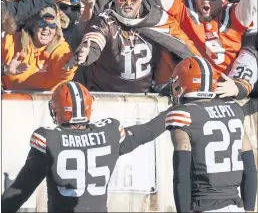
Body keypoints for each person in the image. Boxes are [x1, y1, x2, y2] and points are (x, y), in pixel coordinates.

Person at [1, 81, 167, 212]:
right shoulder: (109, 133)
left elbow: (19, 191)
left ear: (57, 110)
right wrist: (174, 111)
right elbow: (148, 131)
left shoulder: (49, 138)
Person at [67, 0, 200, 93]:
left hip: (144, 96)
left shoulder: (157, 18)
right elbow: (95, 37)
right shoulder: (105, 19)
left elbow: (183, 45)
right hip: (106, 95)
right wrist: (87, 52)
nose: (128, 4)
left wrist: (202, 70)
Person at [165, 56, 257, 213]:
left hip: (203, 204)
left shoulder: (183, 114)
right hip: (236, 206)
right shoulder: (234, 109)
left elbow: (182, 173)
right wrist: (248, 209)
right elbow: (250, 167)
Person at [150, 0, 256, 76]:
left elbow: (250, 4)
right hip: (193, 81)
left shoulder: (233, 15)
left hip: (226, 85)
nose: (205, 1)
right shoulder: (187, 8)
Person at [1, 6, 77, 91]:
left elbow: (63, 71)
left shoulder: (61, 48)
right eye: (42, 24)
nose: (46, 28)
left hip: (47, 101)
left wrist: (69, 65)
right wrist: (5, 69)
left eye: (52, 25)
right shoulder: (11, 41)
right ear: (33, 27)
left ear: (56, 30)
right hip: (9, 99)